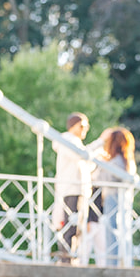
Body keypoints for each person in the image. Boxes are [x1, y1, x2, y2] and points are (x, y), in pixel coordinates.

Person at [53, 112, 92, 263]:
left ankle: (69, 258)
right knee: (71, 226)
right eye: (83, 126)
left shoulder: (72, 142)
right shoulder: (68, 142)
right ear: (74, 126)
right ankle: (67, 259)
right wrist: (100, 143)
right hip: (72, 189)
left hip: (75, 189)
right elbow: (81, 155)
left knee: (75, 227)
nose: (85, 129)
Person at [97, 126, 136, 267]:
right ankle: (123, 262)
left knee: (111, 231)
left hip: (113, 197)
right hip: (122, 199)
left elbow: (100, 178)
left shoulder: (116, 162)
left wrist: (100, 163)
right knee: (122, 231)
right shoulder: (126, 161)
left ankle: (112, 263)